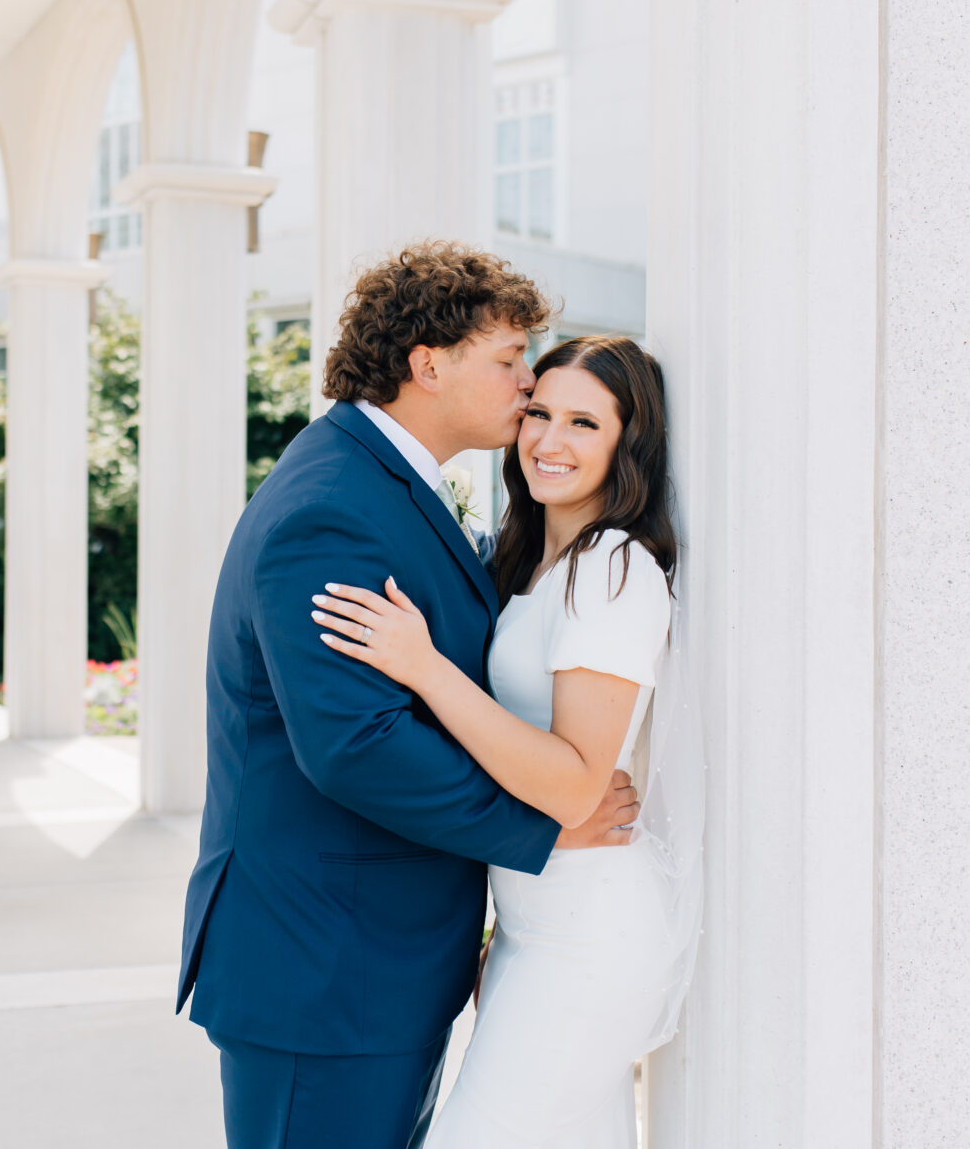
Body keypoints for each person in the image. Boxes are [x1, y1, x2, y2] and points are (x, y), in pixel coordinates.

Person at [178, 242, 643, 1149]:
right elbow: (357, 744)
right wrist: (544, 827)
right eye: (509, 361)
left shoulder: (389, 483)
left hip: (372, 965)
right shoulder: (332, 506)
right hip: (325, 972)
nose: (525, 385)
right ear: (428, 365)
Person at [312, 334, 702, 1147]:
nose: (549, 442)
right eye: (539, 413)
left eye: (585, 425)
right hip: (533, 924)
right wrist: (503, 931)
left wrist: (423, 667)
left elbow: (571, 787)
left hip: (590, 936)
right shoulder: (532, 564)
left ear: (629, 445)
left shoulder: (615, 569)